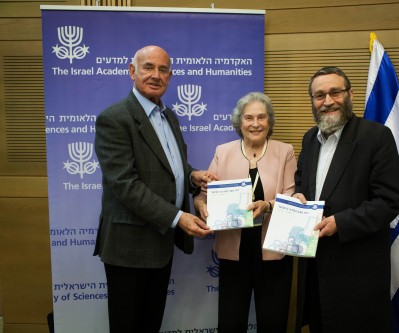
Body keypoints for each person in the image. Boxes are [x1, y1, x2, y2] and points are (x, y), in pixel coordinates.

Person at [93, 45, 218, 333]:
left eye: (163, 70)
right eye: (148, 67)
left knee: (151, 324)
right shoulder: (115, 118)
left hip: (160, 242)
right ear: (132, 71)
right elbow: (125, 185)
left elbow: (170, 166)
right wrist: (178, 218)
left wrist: (193, 176)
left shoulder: (169, 116)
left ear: (170, 76)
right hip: (129, 246)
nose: (156, 75)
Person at [292, 66, 399, 332]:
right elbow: (302, 182)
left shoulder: (376, 137)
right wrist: (298, 196)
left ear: (350, 94)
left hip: (357, 273)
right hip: (316, 271)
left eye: (335, 92)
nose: (328, 101)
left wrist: (340, 223)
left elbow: (389, 201)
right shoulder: (310, 138)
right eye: (319, 95)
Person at [194, 92, 297, 333]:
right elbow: (203, 194)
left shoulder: (285, 152)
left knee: (273, 323)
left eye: (262, 117)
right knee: (230, 323)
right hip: (233, 254)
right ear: (239, 122)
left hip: (274, 254)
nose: (255, 123)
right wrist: (201, 206)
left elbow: (292, 197)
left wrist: (268, 206)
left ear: (269, 121)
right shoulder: (223, 151)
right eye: (249, 117)